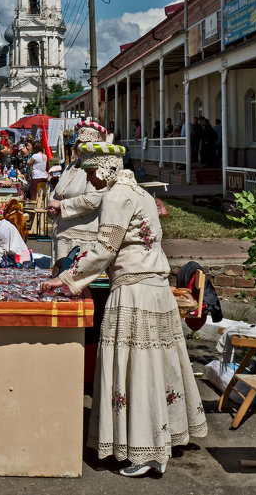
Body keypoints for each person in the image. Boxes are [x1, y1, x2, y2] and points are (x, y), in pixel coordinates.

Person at [41, 140, 207, 477]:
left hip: (134, 290)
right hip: (156, 288)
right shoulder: (143, 194)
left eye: (91, 172)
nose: (90, 180)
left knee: (137, 368)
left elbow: (104, 250)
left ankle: (147, 452)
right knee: (156, 364)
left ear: (104, 169)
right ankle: (162, 438)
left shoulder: (117, 197)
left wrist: (66, 278)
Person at [47, 120, 105, 262]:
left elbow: (92, 200)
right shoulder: (71, 166)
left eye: (83, 146)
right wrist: (51, 206)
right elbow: (57, 192)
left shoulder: (98, 169)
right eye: (77, 145)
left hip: (81, 237)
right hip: (62, 233)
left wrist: (61, 206)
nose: (78, 149)